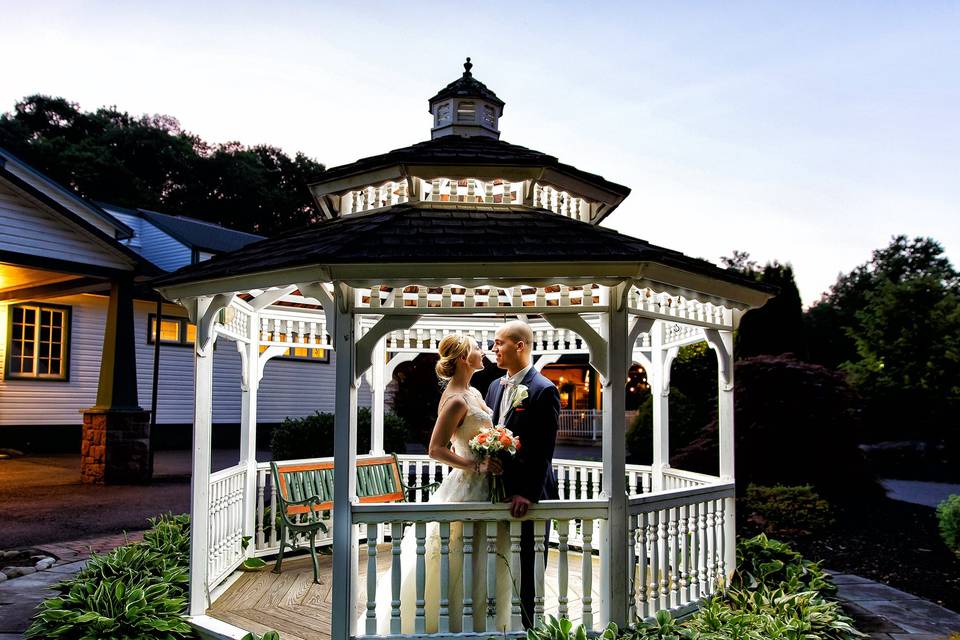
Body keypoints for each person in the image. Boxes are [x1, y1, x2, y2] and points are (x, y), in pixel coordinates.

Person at [364, 333, 512, 634]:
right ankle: (449, 624)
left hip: (487, 489)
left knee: (484, 556)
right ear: (463, 358)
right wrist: (475, 464)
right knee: (457, 557)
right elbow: (436, 449)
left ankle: (483, 623)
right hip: (467, 487)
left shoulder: (475, 394)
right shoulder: (456, 400)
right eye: (476, 348)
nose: (482, 352)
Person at [485, 320, 561, 628]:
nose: (494, 349)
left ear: (520, 346)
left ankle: (530, 628)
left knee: (529, 567)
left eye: (499, 342)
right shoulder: (492, 386)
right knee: (499, 565)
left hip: (530, 496)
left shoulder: (544, 390)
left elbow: (544, 449)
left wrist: (527, 493)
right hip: (498, 493)